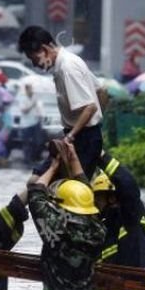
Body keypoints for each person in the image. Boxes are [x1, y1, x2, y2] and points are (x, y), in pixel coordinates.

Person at [18, 26, 108, 181]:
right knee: (38, 180)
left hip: (82, 139)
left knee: (71, 191)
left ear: (45, 49)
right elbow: (101, 91)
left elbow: (90, 106)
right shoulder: (64, 63)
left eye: (34, 59)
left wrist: (76, 134)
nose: (35, 65)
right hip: (80, 136)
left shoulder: (67, 67)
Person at [27, 140, 106, 290]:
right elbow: (85, 196)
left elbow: (35, 193)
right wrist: (74, 158)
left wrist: (53, 167)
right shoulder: (98, 229)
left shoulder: (55, 229)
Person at [92, 151, 145, 290]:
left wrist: (101, 156)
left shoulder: (130, 218)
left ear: (112, 198)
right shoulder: (103, 230)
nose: (95, 205)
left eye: (98, 199)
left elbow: (128, 186)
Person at [18, 83, 44, 165]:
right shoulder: (23, 98)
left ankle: (34, 157)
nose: (31, 91)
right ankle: (27, 159)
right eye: (29, 89)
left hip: (35, 122)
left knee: (37, 141)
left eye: (32, 89)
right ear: (26, 90)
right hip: (26, 124)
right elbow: (24, 111)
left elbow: (39, 110)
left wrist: (40, 113)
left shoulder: (35, 98)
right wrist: (33, 104)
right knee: (26, 142)